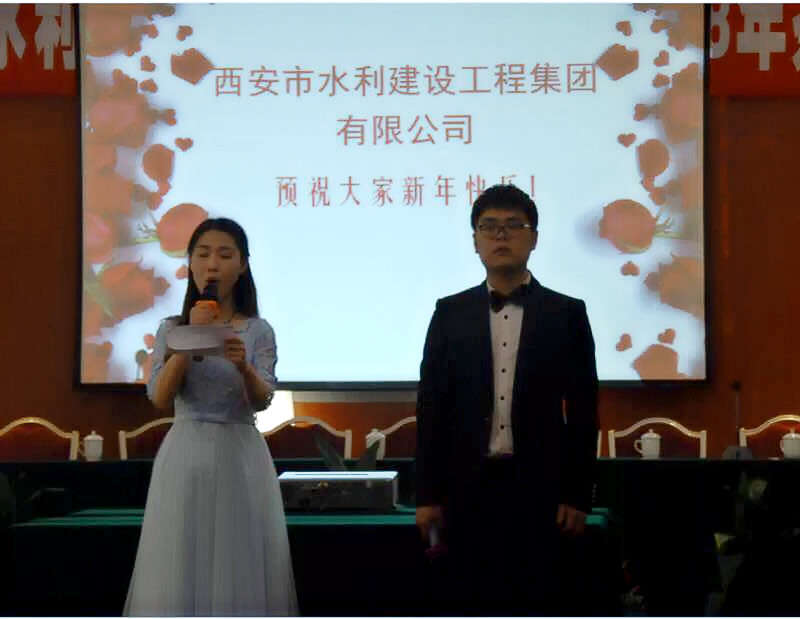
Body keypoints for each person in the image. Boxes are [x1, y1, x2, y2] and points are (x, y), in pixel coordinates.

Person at [415, 184, 599, 615]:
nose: (501, 235)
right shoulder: (449, 313)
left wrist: (578, 495)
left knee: (538, 598)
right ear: (475, 241)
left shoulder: (566, 314)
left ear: (534, 238)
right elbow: (431, 409)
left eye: (514, 225)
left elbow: (584, 410)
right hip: (466, 489)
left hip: (541, 489)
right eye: (490, 226)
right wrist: (426, 494)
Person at [124, 218, 298, 616]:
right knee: (181, 560)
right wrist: (189, 338)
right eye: (202, 254)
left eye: (224, 254)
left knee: (238, 558)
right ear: (190, 264)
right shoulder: (172, 329)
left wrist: (244, 367)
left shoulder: (258, 331)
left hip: (240, 455)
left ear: (243, 265)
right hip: (185, 455)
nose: (212, 264)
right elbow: (160, 397)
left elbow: (262, 400)